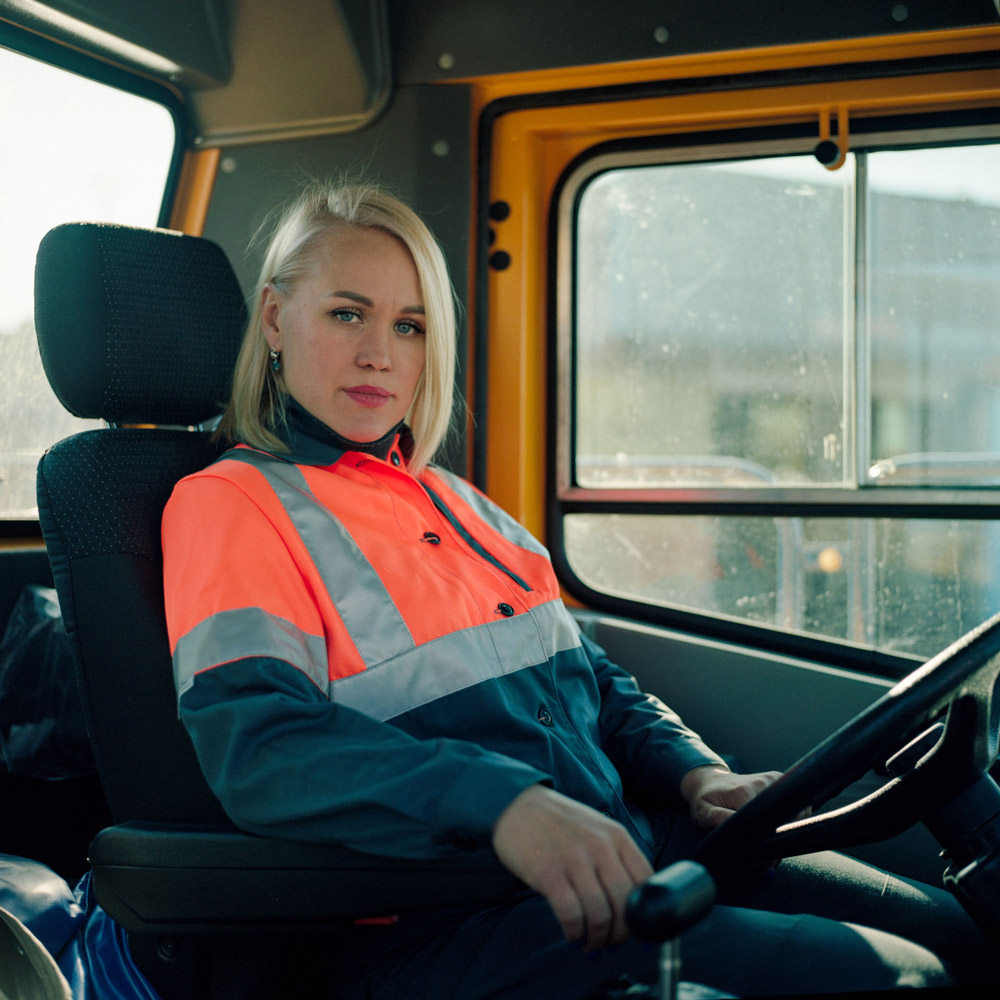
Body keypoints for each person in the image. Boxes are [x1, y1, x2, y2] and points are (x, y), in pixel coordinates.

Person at [161, 181, 995, 998]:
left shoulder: (459, 505)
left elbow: (592, 680)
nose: (381, 352)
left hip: (637, 848)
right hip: (458, 913)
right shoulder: (231, 502)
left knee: (960, 934)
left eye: (409, 326)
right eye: (348, 313)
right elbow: (260, 741)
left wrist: (695, 776)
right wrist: (507, 805)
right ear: (275, 317)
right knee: (906, 980)